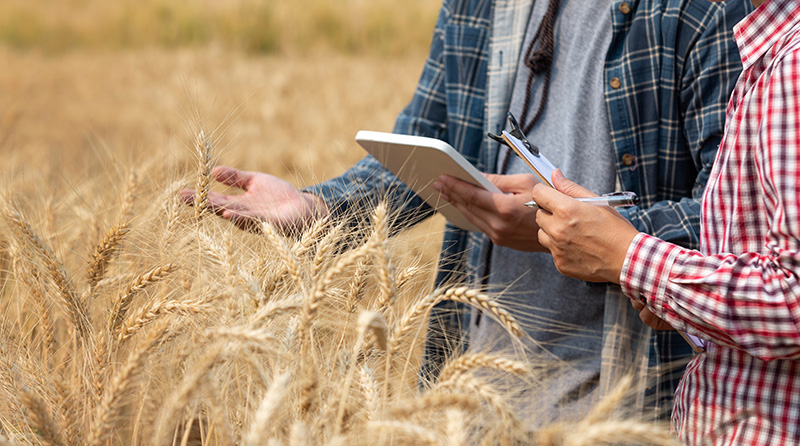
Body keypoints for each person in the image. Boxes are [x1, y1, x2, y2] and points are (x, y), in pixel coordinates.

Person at [181, 0, 749, 420]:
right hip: (471, 393)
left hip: (625, 400)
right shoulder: (478, 6)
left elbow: (738, 219)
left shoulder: (703, 11)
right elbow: (425, 146)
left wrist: (583, 237)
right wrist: (318, 207)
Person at [532, 0, 800, 441]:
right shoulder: (769, 53)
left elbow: (791, 297)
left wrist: (629, 256)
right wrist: (683, 306)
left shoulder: (791, 67)